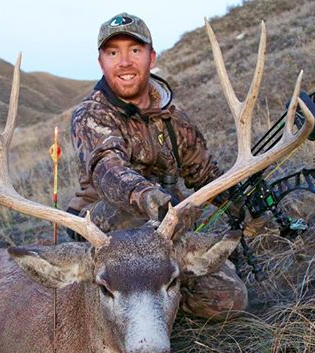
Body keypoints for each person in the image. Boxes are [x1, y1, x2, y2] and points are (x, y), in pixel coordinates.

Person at [66, 12, 248, 319]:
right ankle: (111, 293)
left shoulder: (174, 120)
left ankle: (152, 294)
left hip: (166, 229)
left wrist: (241, 204)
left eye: (134, 51)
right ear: (101, 63)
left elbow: (204, 173)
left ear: (151, 57)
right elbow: (107, 169)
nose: (124, 62)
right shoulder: (91, 115)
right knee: (124, 214)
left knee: (229, 299)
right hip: (110, 229)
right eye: (113, 53)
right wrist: (151, 199)